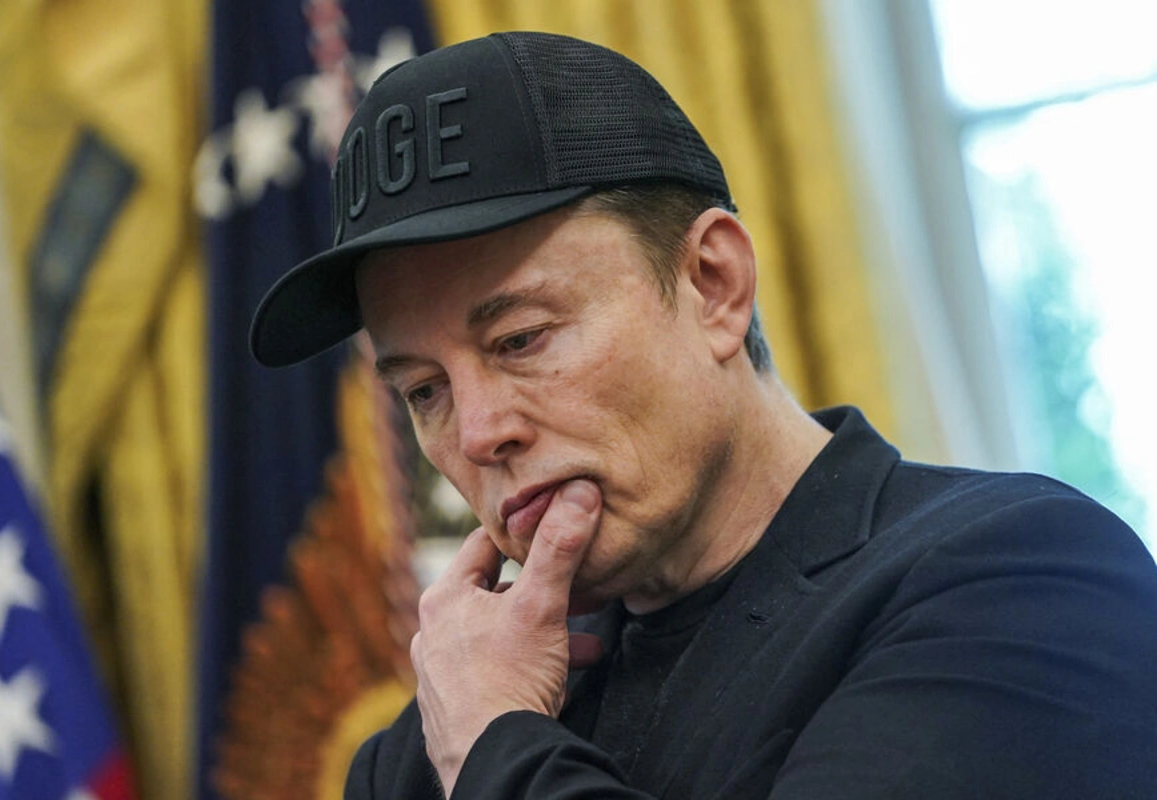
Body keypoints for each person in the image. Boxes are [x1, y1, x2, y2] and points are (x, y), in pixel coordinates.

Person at [250, 31, 1157, 800]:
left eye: (521, 339)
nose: (480, 434)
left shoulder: (1029, 581)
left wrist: (495, 747)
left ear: (714, 285)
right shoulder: (424, 748)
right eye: (424, 390)